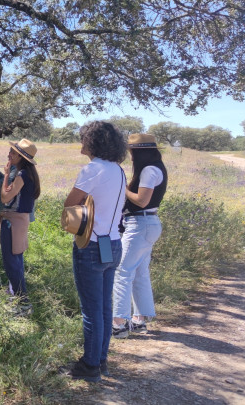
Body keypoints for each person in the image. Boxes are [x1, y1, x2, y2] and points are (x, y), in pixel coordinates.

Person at [62, 121, 127, 382]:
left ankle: (89, 366)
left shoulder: (93, 168)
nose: (81, 142)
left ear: (93, 142)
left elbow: (70, 204)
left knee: (91, 309)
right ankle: (100, 361)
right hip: (113, 242)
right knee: (103, 307)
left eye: (84, 139)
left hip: (90, 245)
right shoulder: (119, 170)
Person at [112, 133, 166, 338]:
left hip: (139, 223)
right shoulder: (156, 168)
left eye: (132, 151)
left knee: (122, 271)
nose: (130, 155)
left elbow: (141, 201)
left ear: (140, 151)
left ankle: (119, 324)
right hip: (148, 223)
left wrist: (124, 188)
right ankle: (139, 320)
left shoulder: (149, 171)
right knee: (140, 272)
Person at [0, 139, 40, 314]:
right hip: (19, 221)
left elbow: (5, 198)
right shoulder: (29, 174)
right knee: (16, 260)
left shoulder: (21, 175)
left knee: (10, 263)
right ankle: (18, 298)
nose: (9, 155)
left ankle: (23, 303)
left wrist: (6, 174)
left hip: (12, 222)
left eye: (13, 153)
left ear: (21, 157)